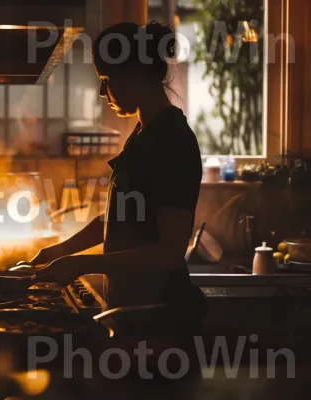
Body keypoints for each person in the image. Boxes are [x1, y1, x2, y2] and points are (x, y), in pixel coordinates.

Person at [32, 22, 207, 332]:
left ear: (134, 75)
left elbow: (168, 253)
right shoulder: (144, 134)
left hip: (160, 319)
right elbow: (119, 218)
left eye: (106, 79)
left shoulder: (172, 141)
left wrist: (83, 264)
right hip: (133, 313)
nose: (102, 92)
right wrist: (62, 250)